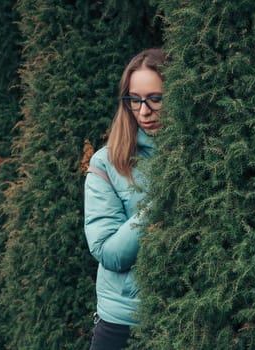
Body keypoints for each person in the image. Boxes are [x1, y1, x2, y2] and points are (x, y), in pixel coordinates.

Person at [84, 48, 166, 350]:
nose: (144, 111)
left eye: (155, 99)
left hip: (187, 320)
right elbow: (109, 252)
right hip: (122, 324)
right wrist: (159, 202)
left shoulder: (204, 159)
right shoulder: (107, 163)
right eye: (134, 100)